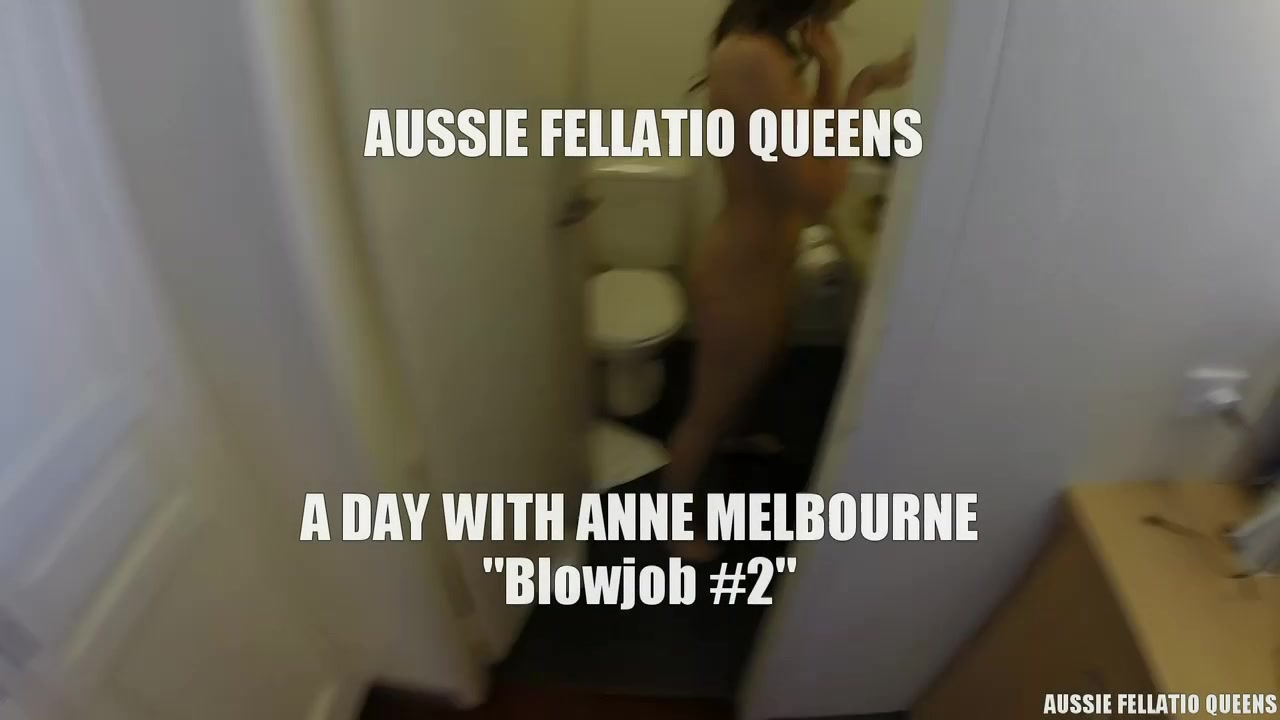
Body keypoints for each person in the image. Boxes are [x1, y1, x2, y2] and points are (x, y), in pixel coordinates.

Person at [665, 0, 913, 560]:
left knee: (751, 377)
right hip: (739, 278)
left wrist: (833, 71)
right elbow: (820, 192)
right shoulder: (753, 60)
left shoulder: (766, 50)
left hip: (761, 269)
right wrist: (858, 87)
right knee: (706, 410)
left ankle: (729, 443)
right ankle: (673, 519)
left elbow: (809, 148)